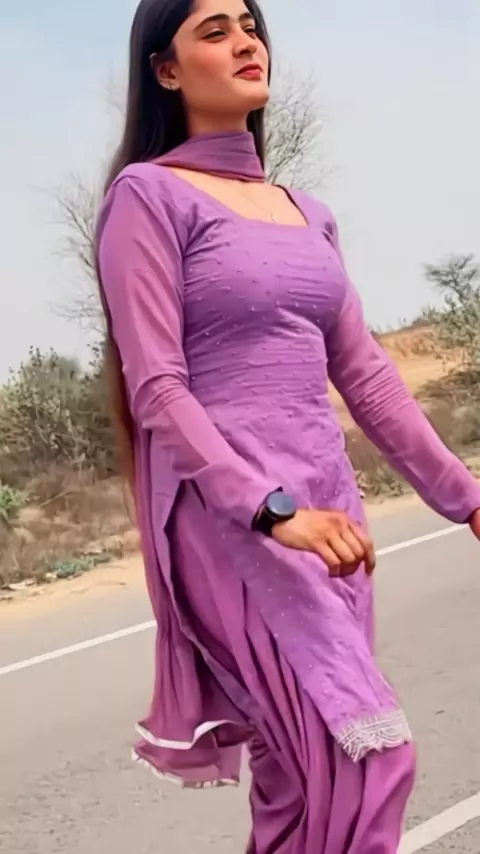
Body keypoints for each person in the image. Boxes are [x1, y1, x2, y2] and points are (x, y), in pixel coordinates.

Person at [96, 0, 480, 850]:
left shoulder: (308, 213)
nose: (245, 42)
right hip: (236, 523)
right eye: (214, 31)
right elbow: (157, 388)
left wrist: (467, 499)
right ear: (166, 70)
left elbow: (369, 380)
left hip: (331, 519)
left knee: (298, 792)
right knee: (368, 758)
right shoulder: (147, 197)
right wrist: (270, 511)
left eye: (249, 25)